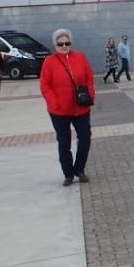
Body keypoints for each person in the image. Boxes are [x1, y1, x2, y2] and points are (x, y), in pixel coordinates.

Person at [40, 29, 95, 186]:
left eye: (67, 43)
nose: (64, 46)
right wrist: (54, 103)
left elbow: (89, 78)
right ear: (55, 45)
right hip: (59, 111)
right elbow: (45, 85)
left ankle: (80, 169)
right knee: (64, 143)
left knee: (85, 138)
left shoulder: (80, 58)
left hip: (81, 108)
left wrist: (90, 95)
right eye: (60, 43)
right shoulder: (49, 61)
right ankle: (68, 173)